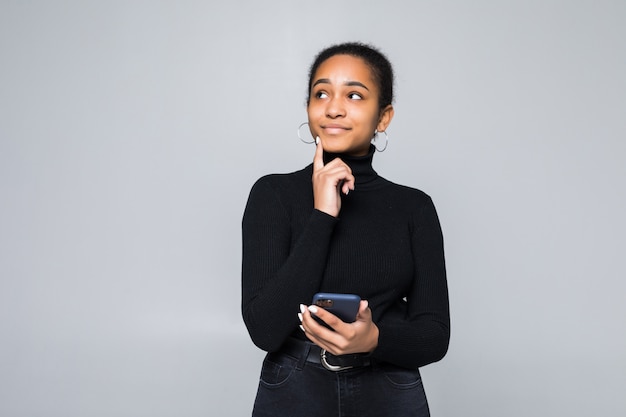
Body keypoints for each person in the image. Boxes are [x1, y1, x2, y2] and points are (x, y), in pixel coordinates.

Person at [241, 42, 450, 417]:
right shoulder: (273, 194)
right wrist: (323, 214)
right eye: (321, 93)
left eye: (354, 95)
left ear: (383, 117)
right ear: (308, 107)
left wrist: (375, 339)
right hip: (293, 387)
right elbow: (265, 330)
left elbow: (435, 336)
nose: (334, 108)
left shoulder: (413, 207)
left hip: (389, 387)